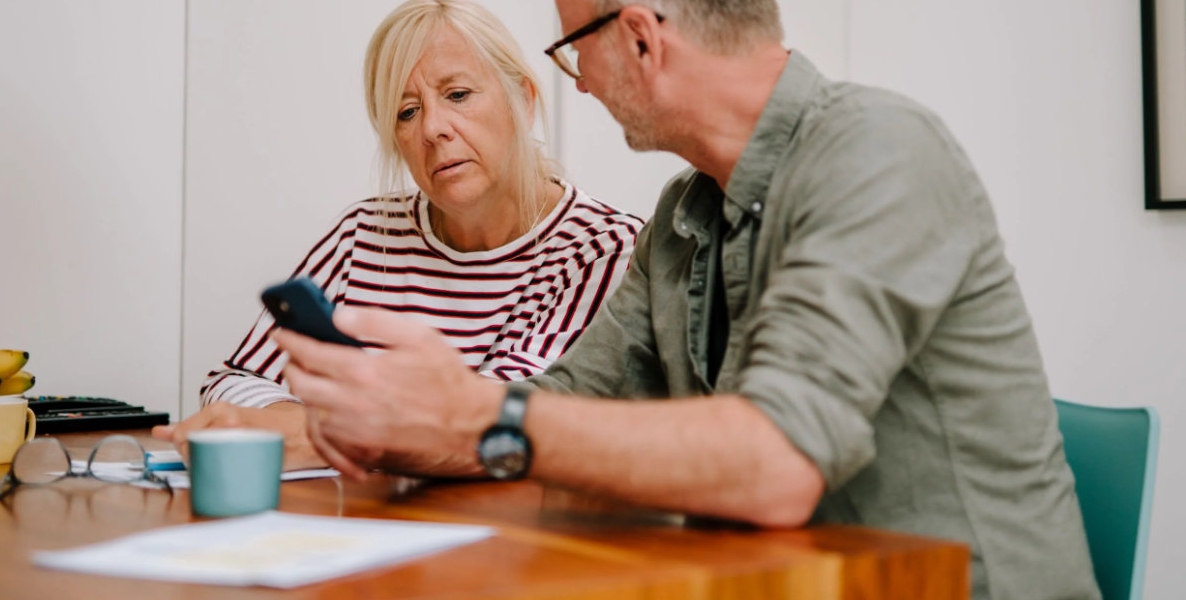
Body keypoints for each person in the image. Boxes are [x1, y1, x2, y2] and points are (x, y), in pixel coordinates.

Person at [254, 1, 1103, 598]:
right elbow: (554, 408)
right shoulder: (682, 218)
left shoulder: (879, 149)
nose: (576, 83)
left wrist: (474, 416)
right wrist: (404, 419)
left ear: (638, 39)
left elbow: (775, 461)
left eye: (571, 49)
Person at [153, 0, 643, 470]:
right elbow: (236, 380)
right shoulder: (364, 233)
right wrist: (313, 424)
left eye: (457, 95)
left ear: (524, 100)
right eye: (406, 112)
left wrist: (318, 432)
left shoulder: (601, 250)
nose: (433, 128)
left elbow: (497, 426)